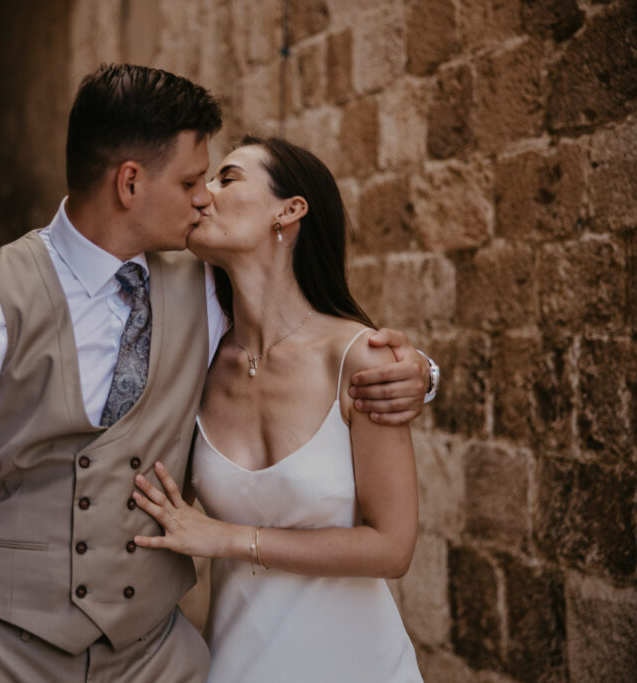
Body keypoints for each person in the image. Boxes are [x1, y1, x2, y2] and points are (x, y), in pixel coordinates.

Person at [0, 65, 434, 682]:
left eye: (218, 178)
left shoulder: (203, 294)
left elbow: (303, 331)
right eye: (194, 179)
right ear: (130, 183)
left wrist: (417, 373)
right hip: (5, 649)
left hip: (154, 658)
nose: (203, 197)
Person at [132, 137, 425, 681]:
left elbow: (392, 547)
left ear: (288, 212)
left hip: (359, 664)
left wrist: (229, 538)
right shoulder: (194, 363)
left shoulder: (359, 359)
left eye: (227, 178)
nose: (205, 196)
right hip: (235, 663)